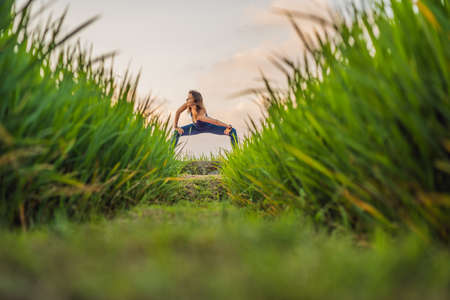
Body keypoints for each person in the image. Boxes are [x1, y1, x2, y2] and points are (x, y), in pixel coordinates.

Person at [171, 90, 238, 148]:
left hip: (210, 127)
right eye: (187, 98)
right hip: (195, 127)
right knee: (176, 132)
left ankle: (236, 155)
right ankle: (169, 156)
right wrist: (176, 127)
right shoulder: (188, 104)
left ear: (195, 100)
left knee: (232, 131)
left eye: (189, 98)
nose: (187, 100)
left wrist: (228, 126)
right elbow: (178, 112)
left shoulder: (200, 114)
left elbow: (215, 121)